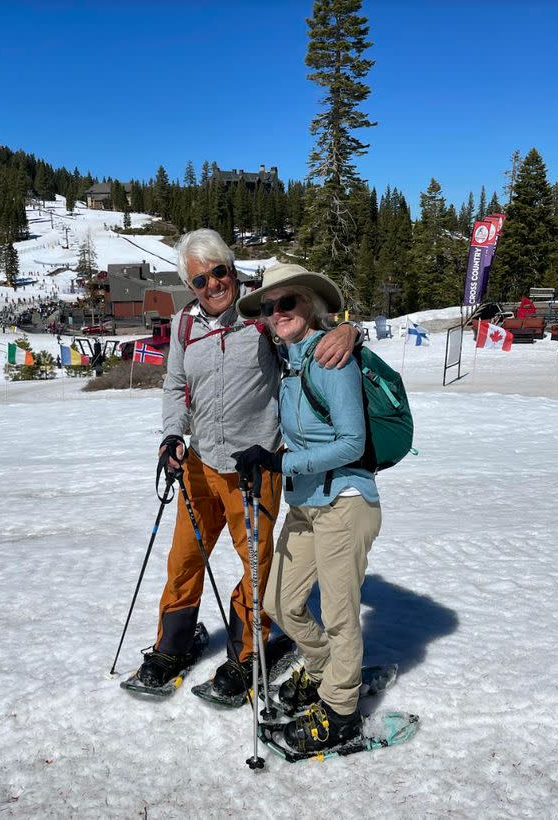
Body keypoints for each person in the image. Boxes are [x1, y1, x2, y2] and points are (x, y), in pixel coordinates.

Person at [132, 230, 361, 698]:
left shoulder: (261, 318)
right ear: (191, 286)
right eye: (200, 279)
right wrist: (172, 435)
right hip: (199, 464)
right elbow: (175, 386)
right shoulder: (183, 327)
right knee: (184, 559)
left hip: (255, 467)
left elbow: (307, 332)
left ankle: (246, 653)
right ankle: (172, 645)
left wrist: (346, 330)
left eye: (220, 272)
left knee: (255, 564)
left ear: (232, 271)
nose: (213, 285)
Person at [233, 264, 381, 752]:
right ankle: (324, 672)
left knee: (339, 614)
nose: (278, 313)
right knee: (278, 602)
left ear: (310, 306)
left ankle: (341, 710)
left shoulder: (330, 359)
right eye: (270, 307)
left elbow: (352, 443)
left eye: (288, 303)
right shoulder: (290, 361)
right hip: (305, 504)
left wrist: (281, 463)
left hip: (345, 499)